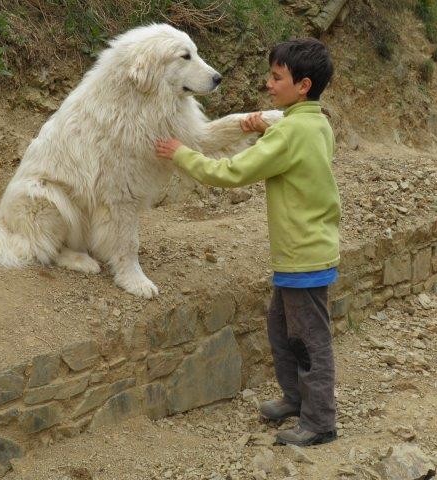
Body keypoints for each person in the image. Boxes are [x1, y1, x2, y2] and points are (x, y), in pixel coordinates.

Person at [155, 37, 340, 447]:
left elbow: (232, 173)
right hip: (307, 251)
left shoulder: (289, 134)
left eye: (277, 78)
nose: (269, 84)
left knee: (309, 342)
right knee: (281, 328)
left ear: (303, 85)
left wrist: (181, 153)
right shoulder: (314, 122)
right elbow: (288, 143)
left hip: (303, 258)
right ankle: (296, 399)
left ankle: (320, 421)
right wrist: (265, 126)